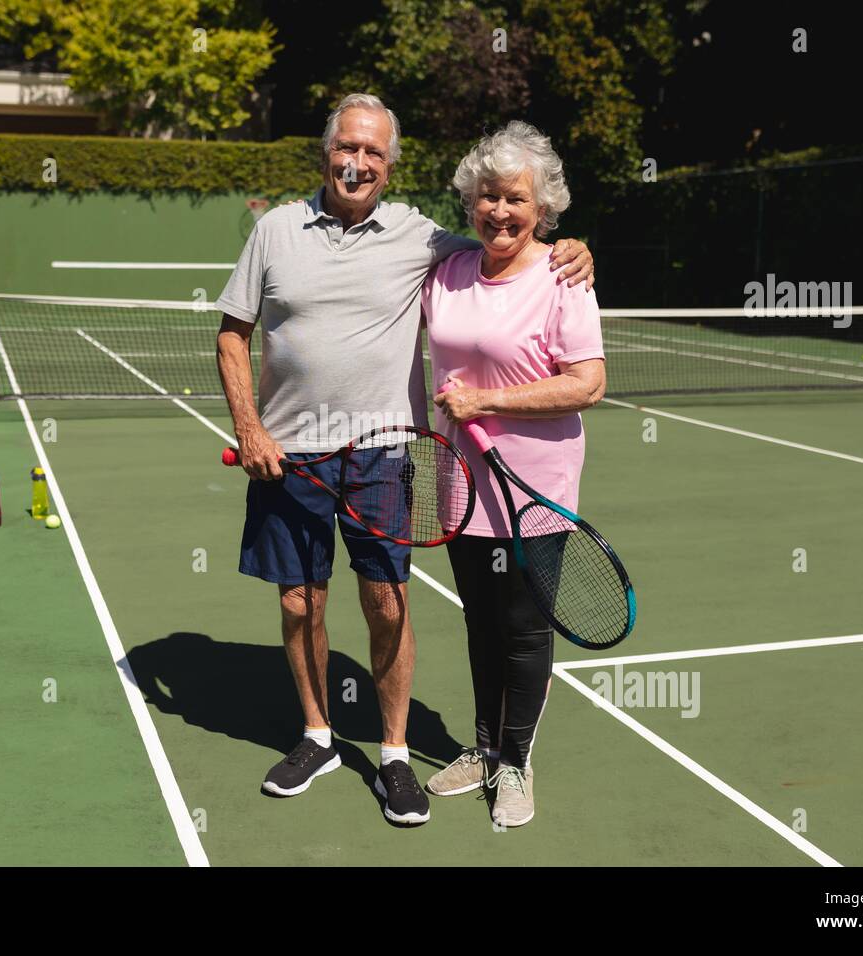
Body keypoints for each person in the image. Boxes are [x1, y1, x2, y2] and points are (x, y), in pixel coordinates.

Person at [214, 95, 594, 826]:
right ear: (326, 151)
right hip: (289, 454)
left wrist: (574, 247)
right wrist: (250, 428)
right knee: (300, 601)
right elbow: (232, 333)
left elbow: (510, 241)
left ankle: (393, 754)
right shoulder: (274, 231)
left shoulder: (423, 238)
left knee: (387, 600)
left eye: (373, 152)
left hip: (386, 452)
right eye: (345, 148)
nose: (357, 162)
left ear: (391, 165)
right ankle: (318, 735)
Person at [424, 121, 606, 828]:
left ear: (543, 209)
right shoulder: (447, 270)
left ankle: (516, 760)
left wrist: (488, 399)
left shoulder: (563, 275)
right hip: (462, 482)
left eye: (516, 199)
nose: (500, 211)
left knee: (525, 629)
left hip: (535, 490)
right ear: (472, 200)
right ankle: (483, 746)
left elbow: (588, 383)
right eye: (489, 196)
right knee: (480, 624)